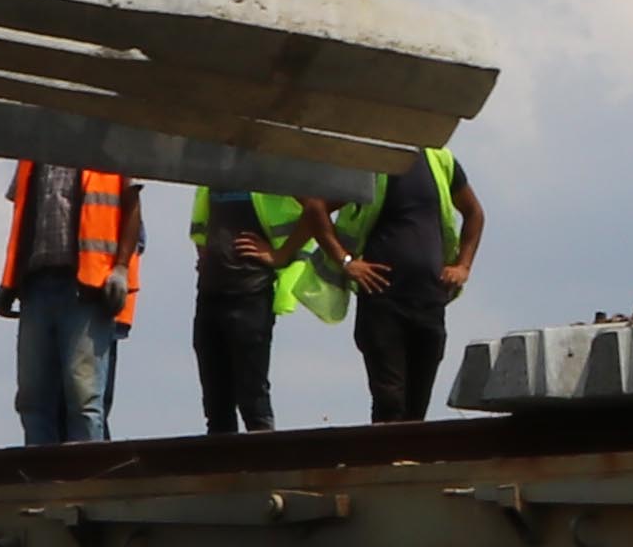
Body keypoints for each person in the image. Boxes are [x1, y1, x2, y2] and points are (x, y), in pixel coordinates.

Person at [0, 156, 139, 449]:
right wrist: (9, 283)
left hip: (86, 289)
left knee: (83, 397)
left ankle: (84, 485)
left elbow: (131, 205)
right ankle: (42, 485)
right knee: (32, 399)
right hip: (36, 286)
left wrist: (121, 269)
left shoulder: (108, 145)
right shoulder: (32, 154)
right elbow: (22, 216)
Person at [338, 147, 482, 426]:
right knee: (389, 399)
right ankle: (385, 463)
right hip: (382, 299)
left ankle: (408, 463)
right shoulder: (370, 161)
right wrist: (346, 261)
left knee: (417, 405)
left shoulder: (441, 161)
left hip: (429, 299)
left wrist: (463, 266)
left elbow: (474, 213)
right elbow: (317, 206)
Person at [189, 182, 343, 435]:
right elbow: (201, 225)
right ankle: (223, 472)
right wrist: (208, 254)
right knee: (216, 405)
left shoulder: (269, 168)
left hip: (250, 294)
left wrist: (279, 255)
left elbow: (316, 208)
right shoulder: (215, 169)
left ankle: (264, 468)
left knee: (253, 399)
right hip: (210, 295)